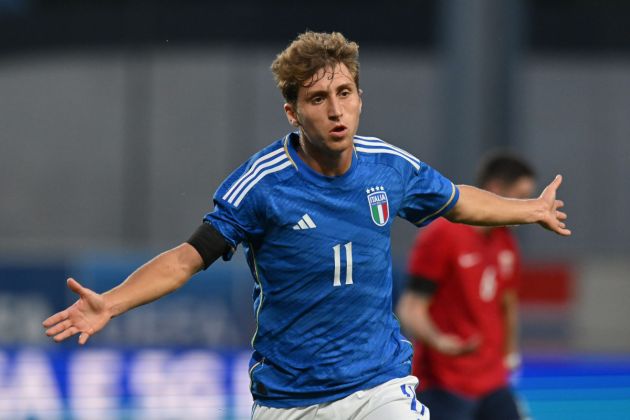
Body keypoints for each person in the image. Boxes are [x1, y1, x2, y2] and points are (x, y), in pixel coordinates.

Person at [42, 31, 569, 419]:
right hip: (291, 400)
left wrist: (531, 210)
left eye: (345, 93)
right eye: (318, 99)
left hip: (378, 386)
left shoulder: (388, 166)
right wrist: (110, 302)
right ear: (292, 113)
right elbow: (185, 259)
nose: (336, 110)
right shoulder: (262, 184)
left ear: (361, 98)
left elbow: (459, 201)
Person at [396, 153, 537, 420]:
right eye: (520, 197)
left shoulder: (506, 239)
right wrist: (439, 340)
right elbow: (411, 307)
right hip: (446, 382)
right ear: (496, 190)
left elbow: (507, 304)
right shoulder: (443, 235)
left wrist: (510, 357)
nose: (524, 208)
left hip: (492, 381)